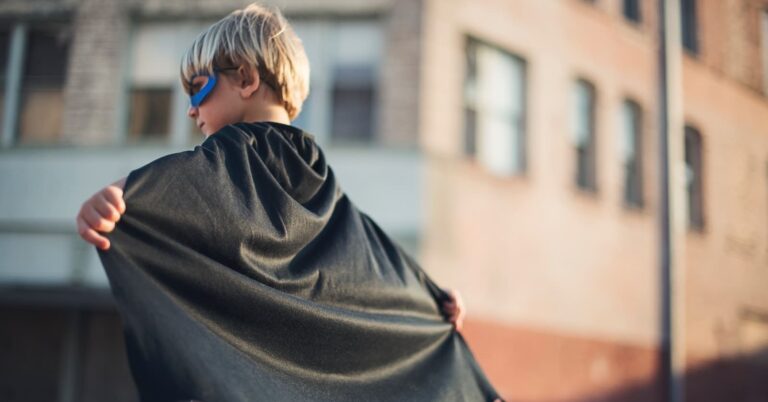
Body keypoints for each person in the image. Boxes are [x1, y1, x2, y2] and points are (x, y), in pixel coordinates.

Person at [76, 3, 501, 401]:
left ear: (245, 79)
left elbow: (181, 182)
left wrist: (119, 196)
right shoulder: (314, 167)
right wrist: (428, 297)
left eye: (198, 89)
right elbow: (365, 253)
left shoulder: (235, 152)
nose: (191, 110)